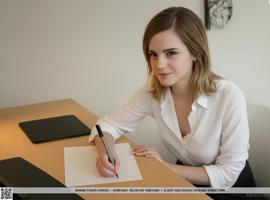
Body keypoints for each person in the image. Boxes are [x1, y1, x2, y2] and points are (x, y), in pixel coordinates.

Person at [89, 7, 257, 200]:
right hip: (186, 183)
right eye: (153, 54)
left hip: (231, 191)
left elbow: (228, 174)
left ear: (195, 53)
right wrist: (106, 155)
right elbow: (106, 126)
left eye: (171, 53)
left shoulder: (229, 96)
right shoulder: (154, 90)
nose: (159, 64)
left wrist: (165, 167)